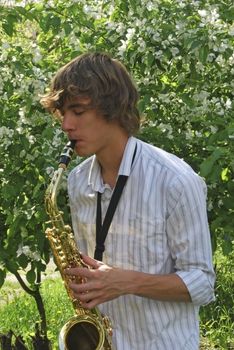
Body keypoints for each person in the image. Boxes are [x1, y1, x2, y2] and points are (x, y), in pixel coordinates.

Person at [41, 52, 215, 350]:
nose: (66, 125)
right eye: (62, 113)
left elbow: (202, 283)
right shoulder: (77, 181)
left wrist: (126, 282)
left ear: (112, 108)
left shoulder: (174, 180)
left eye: (78, 111)